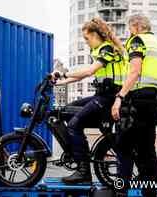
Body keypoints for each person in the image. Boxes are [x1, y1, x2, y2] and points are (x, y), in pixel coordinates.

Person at [52, 17, 126, 184]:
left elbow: (89, 71)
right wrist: (60, 82)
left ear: (95, 35)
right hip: (100, 96)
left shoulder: (107, 49)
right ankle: (78, 153)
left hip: (108, 98)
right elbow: (84, 74)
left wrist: (63, 73)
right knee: (65, 111)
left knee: (74, 124)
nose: (86, 42)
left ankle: (83, 171)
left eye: (87, 38)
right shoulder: (100, 50)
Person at [111, 14, 157, 196]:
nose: (129, 32)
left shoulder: (137, 40)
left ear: (136, 26)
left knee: (123, 146)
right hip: (152, 101)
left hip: (136, 100)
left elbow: (135, 71)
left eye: (130, 28)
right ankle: (149, 192)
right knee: (147, 150)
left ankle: (121, 191)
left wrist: (119, 97)